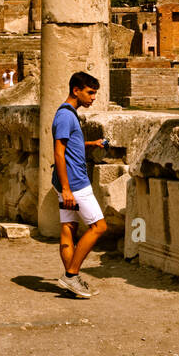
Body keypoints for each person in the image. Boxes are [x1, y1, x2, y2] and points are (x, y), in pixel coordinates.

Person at [53, 71, 109, 298]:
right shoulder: (66, 116)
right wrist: (67, 189)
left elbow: (70, 143)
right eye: (90, 93)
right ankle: (71, 275)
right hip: (74, 182)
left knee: (69, 227)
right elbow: (58, 152)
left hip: (65, 180)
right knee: (99, 227)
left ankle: (70, 279)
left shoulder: (67, 114)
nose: (93, 98)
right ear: (76, 90)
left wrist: (90, 143)